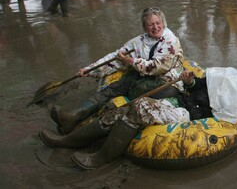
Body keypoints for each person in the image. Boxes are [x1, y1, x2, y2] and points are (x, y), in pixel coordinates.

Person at [39, 46, 237, 170]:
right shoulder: (230, 74)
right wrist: (190, 81)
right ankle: (69, 140)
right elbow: (199, 83)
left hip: (190, 116)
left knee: (140, 109)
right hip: (179, 102)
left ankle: (101, 159)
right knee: (122, 109)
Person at [48, 7, 185, 135]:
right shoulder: (139, 42)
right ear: (144, 26)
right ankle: (73, 116)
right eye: (151, 24)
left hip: (167, 82)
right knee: (113, 88)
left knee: (124, 89)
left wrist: (131, 61)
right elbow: (115, 58)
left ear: (163, 23)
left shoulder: (170, 41)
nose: (155, 27)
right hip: (145, 78)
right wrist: (89, 70)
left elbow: (155, 67)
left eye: (158, 23)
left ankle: (90, 123)